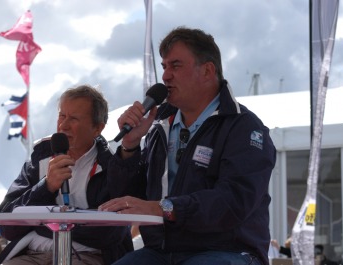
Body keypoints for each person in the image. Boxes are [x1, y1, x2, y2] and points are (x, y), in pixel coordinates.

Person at [99, 26, 276, 265]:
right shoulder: (158, 127)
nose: (165, 76)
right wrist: (130, 148)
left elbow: (233, 202)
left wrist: (165, 208)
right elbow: (132, 200)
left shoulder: (243, 128)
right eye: (164, 67)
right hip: (160, 252)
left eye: (176, 66)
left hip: (227, 251)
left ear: (207, 71)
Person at [0, 85, 133, 265]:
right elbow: (7, 225)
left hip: (87, 257)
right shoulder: (39, 160)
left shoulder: (112, 167)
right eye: (62, 116)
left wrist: (46, 223)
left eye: (74, 118)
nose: (63, 125)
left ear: (97, 128)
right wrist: (46, 187)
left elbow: (109, 233)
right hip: (32, 255)